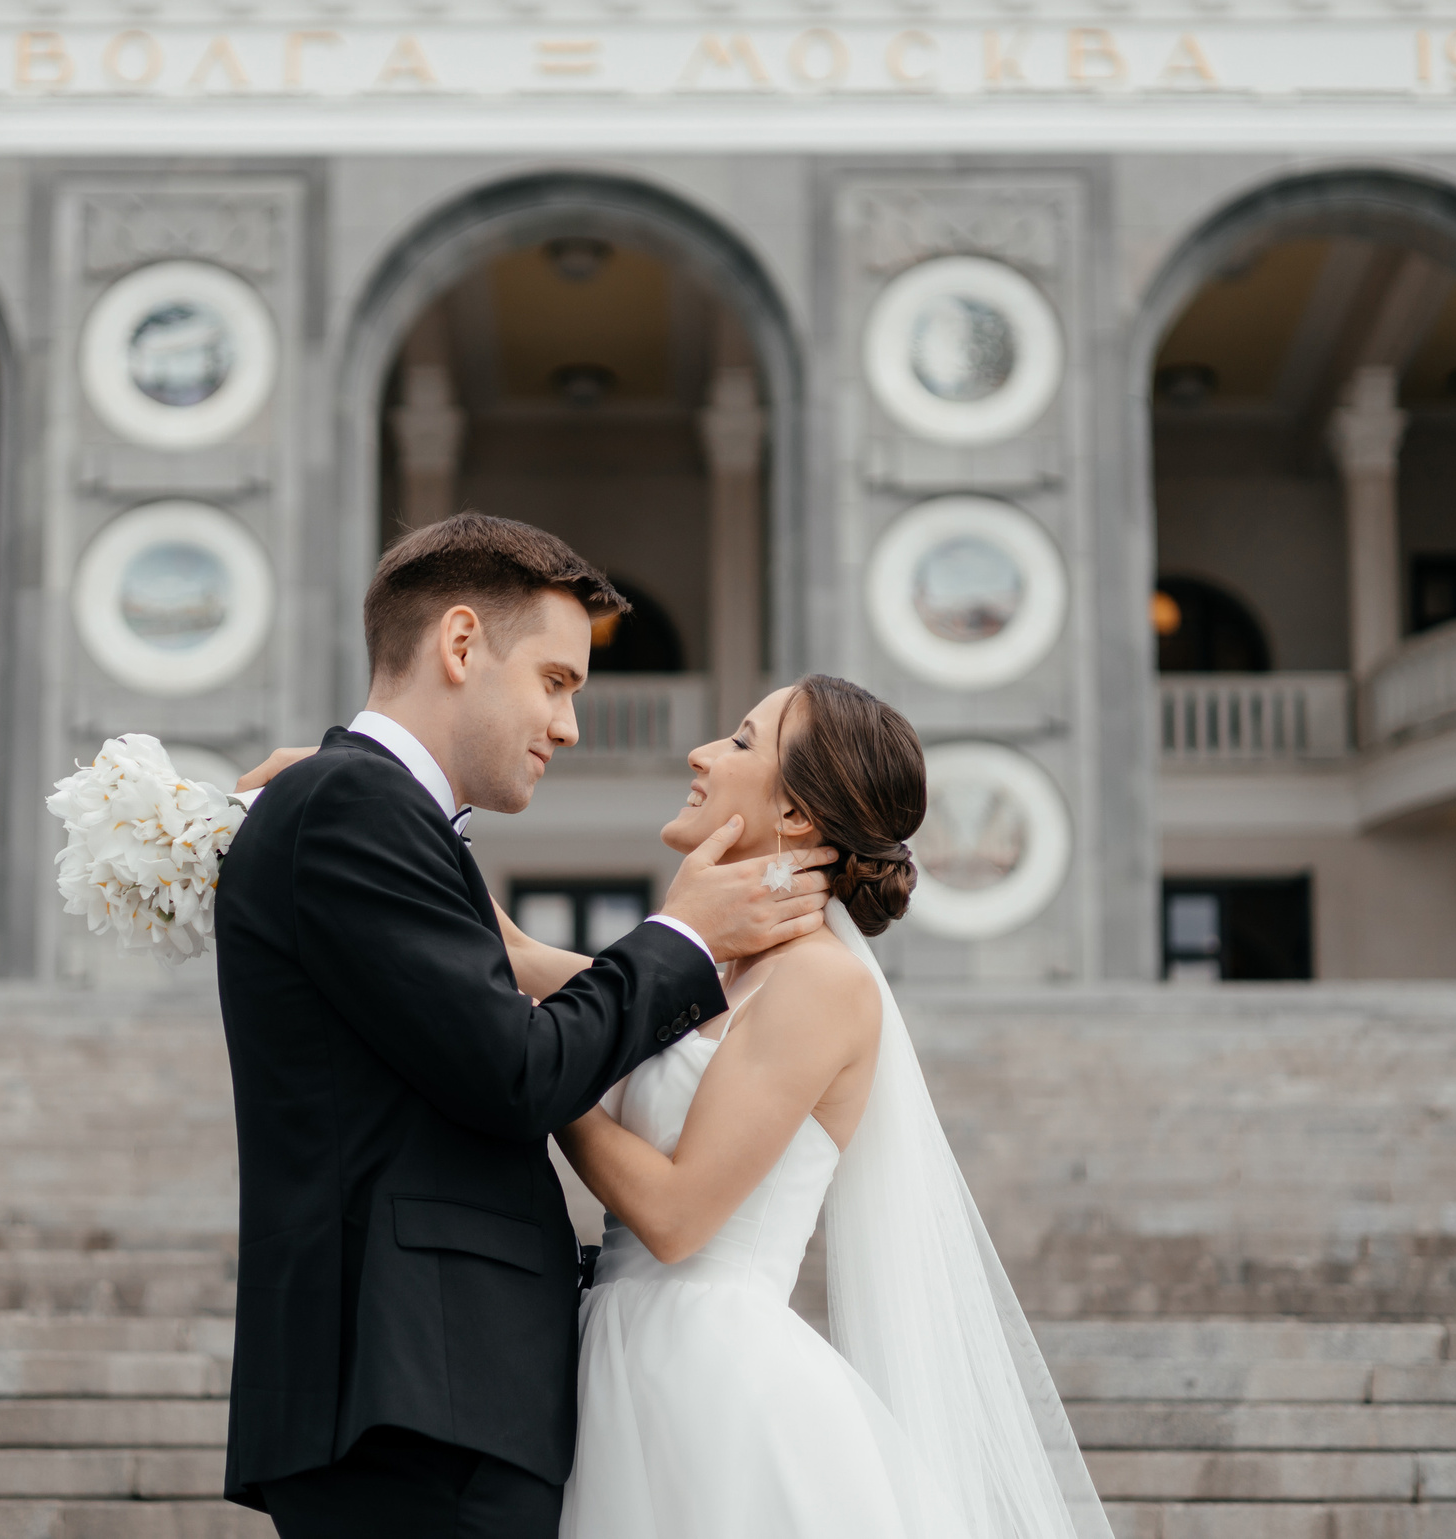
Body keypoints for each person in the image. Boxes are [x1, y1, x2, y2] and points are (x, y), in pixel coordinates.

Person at [212, 513, 839, 1539]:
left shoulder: (367, 811)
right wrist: (675, 933)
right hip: (415, 1397)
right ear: (460, 645)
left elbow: (492, 1008)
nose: (570, 726)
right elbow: (516, 1073)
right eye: (555, 682)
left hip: (438, 1395)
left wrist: (666, 947)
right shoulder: (350, 806)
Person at [509, 675, 1114, 1539]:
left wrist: (536, 1069)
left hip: (713, 1377)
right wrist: (347, 783)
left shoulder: (819, 983)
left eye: (742, 741)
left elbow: (679, 1217)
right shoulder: (709, 967)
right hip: (622, 1352)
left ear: (796, 815)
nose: (703, 752)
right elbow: (514, 949)